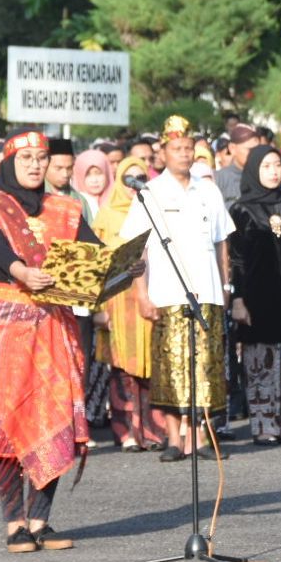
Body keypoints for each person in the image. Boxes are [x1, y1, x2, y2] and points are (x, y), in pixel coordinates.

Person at [0, 129, 95, 553]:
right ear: (8, 164)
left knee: (54, 418)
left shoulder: (66, 209)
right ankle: (13, 523)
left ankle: (41, 520)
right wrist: (22, 272)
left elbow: (92, 252)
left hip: (56, 326)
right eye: (27, 159)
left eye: (42, 158)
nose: (37, 165)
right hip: (6, 324)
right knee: (6, 423)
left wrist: (119, 265)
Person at [122, 125, 234, 462]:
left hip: (207, 291)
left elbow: (221, 242)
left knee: (206, 365)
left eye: (189, 148)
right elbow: (137, 249)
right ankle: (174, 438)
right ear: (163, 154)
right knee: (171, 366)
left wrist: (226, 284)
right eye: (177, 149)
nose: (184, 154)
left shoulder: (208, 191)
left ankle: (200, 438)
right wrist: (141, 294)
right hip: (167, 292)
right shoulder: (150, 192)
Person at [228, 146, 281, 444]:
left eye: (277, 165)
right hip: (255, 295)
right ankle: (264, 426)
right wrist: (237, 298)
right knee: (261, 362)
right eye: (266, 166)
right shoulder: (241, 209)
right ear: (254, 170)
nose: (274, 171)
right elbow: (236, 259)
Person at [93, 156, 163, 451]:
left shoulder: (155, 210)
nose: (135, 186)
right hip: (118, 303)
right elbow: (97, 267)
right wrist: (98, 309)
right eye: (128, 179)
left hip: (150, 296)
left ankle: (153, 430)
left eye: (141, 178)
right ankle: (126, 432)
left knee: (151, 368)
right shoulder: (106, 216)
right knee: (123, 370)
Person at [214, 122, 262, 207]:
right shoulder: (219, 179)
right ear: (232, 148)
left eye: (258, 150)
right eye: (250, 150)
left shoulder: (265, 177)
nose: (255, 154)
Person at [72, 147, 113, 222]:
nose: (94, 180)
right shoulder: (72, 204)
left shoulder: (118, 200)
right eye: (87, 174)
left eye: (98, 173)